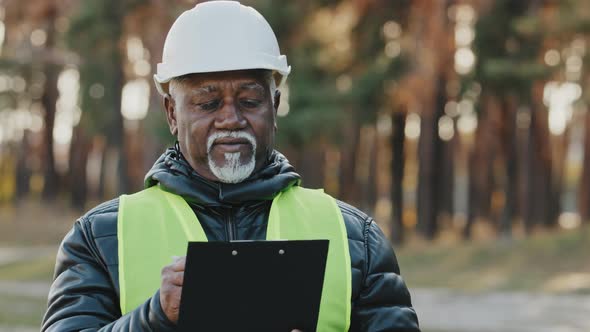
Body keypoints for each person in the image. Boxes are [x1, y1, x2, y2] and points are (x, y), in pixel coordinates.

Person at [42, 1, 420, 331]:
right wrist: (154, 318)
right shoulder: (101, 237)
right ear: (172, 112)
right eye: (207, 103)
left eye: (249, 100)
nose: (230, 119)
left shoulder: (356, 237)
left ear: (274, 104)